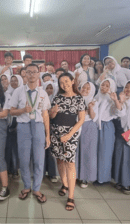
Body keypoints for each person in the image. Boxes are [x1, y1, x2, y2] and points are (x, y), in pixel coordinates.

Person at [8, 63, 51, 204]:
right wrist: (22, 111)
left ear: (38, 74)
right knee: (24, 159)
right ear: (24, 74)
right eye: (29, 72)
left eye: (34, 72)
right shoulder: (18, 91)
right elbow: (11, 111)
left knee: (39, 160)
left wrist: (47, 135)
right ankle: (26, 186)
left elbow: (45, 115)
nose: (32, 74)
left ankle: (37, 188)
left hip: (38, 127)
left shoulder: (43, 92)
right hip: (23, 127)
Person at [49, 73, 86, 211]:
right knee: (59, 159)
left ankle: (71, 196)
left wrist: (69, 135)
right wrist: (52, 112)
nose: (64, 84)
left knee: (70, 163)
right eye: (61, 82)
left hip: (70, 134)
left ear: (72, 81)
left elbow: (81, 119)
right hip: (56, 133)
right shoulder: (57, 97)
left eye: (66, 81)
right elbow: (52, 116)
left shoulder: (78, 98)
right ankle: (64, 184)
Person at [94, 78, 119, 184]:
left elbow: (118, 113)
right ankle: (94, 176)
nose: (103, 87)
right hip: (96, 126)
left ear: (111, 88)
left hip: (106, 126)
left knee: (105, 153)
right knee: (95, 153)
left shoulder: (112, 98)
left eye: (107, 86)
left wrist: (115, 100)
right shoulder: (97, 96)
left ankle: (103, 179)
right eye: (102, 85)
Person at [75, 81, 98, 188]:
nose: (85, 89)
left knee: (87, 153)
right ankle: (74, 175)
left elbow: (93, 117)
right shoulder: (75, 99)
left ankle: (84, 178)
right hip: (75, 126)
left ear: (92, 90)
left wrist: (90, 108)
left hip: (88, 127)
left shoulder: (94, 101)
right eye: (83, 87)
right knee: (75, 152)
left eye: (88, 88)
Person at [5, 75, 23, 178]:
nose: (14, 82)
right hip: (8, 122)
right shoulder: (7, 93)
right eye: (12, 81)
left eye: (16, 80)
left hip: (19, 121)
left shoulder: (23, 93)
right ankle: (8, 168)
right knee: (8, 148)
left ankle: (15, 169)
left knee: (16, 149)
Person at [42, 81, 59, 183]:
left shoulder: (56, 100)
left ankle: (52, 173)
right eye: (47, 88)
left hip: (53, 129)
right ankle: (42, 172)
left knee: (52, 152)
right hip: (42, 128)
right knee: (41, 151)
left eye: (51, 88)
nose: (49, 90)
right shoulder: (41, 99)